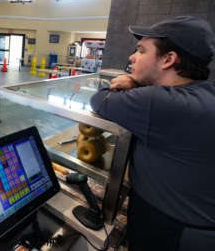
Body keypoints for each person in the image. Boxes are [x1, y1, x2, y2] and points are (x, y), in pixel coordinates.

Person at [90, 16, 215, 251]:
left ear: (168, 59)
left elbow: (100, 99)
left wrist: (133, 84)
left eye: (141, 50)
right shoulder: (203, 94)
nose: (131, 57)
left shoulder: (158, 102)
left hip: (174, 231)